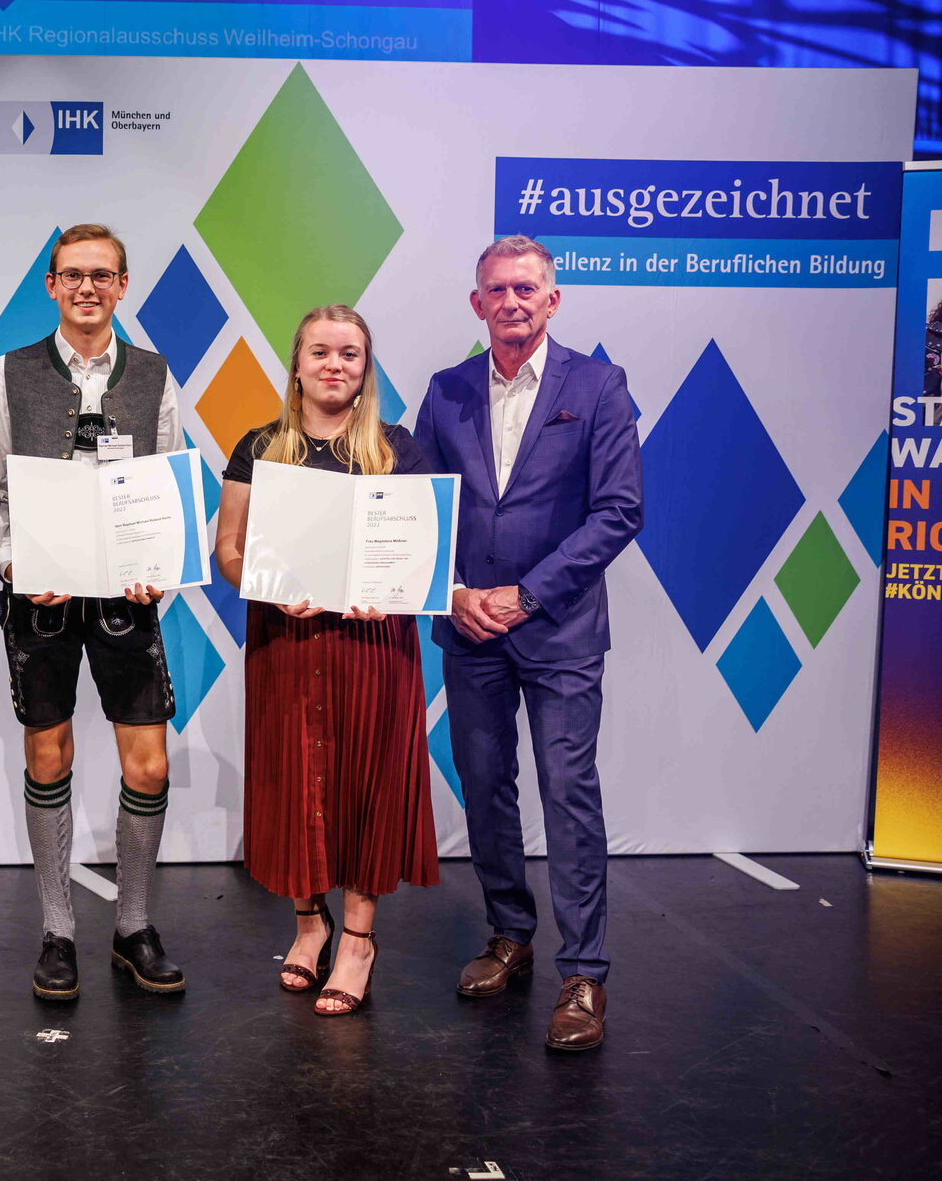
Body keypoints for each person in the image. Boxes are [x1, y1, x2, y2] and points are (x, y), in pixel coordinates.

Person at [411, 235, 642, 1052]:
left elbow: (619, 510)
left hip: (559, 627)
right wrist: (456, 593)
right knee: (483, 783)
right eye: (496, 291)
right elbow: (421, 513)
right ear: (477, 304)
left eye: (526, 289)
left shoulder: (598, 385)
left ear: (553, 299)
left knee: (567, 787)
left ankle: (584, 972)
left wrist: (529, 592)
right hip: (470, 627)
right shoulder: (444, 393)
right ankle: (510, 932)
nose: (511, 302)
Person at [212, 305, 439, 1016]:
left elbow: (422, 554)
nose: (335, 365)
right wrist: (270, 589)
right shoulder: (260, 447)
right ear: (297, 363)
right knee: (293, 782)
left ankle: (359, 940)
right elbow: (229, 550)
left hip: (373, 647)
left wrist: (390, 591)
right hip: (288, 643)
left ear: (365, 367)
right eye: (321, 352)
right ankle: (309, 927)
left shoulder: (398, 447)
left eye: (350, 353)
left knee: (365, 784)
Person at [0, 223, 187, 1001]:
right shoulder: (10, 373)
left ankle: (133, 924)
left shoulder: (155, 375)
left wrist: (156, 569)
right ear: (50, 284)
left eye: (103, 275)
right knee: (49, 755)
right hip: (37, 600)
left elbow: (167, 489)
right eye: (72, 274)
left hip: (124, 598)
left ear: (124, 284)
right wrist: (12, 561)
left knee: (149, 760)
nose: (87, 288)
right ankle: (58, 929)